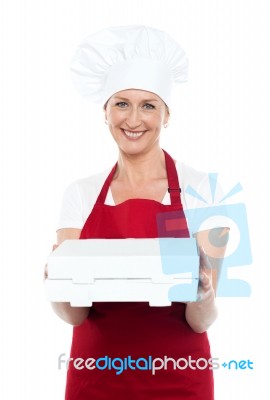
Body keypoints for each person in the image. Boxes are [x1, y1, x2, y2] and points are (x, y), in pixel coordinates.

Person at [46, 25, 229, 399]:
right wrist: (53, 284)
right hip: (96, 376)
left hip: (179, 377)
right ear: (106, 111)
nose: (133, 120)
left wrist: (204, 294)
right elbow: (75, 314)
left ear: (166, 115)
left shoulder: (204, 191)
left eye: (148, 105)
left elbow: (201, 321)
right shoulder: (80, 194)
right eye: (122, 104)